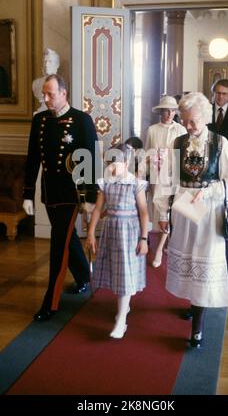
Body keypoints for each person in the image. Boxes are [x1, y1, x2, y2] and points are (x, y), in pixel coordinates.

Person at [155, 92, 228, 348]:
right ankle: (194, 303)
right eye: (186, 121)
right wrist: (162, 213)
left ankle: (198, 327)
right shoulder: (178, 143)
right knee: (189, 259)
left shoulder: (220, 143)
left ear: (205, 117)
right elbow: (166, 179)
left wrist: (209, 191)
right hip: (184, 209)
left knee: (204, 260)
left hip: (209, 212)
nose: (188, 126)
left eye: (193, 121)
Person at [23, 74, 98, 322]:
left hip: (71, 193)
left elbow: (91, 160)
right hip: (49, 192)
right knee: (67, 237)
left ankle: (50, 303)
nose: (45, 99)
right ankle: (84, 278)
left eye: (50, 94)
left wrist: (88, 197)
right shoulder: (40, 120)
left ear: (63, 93)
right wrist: (27, 194)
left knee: (58, 245)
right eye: (44, 94)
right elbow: (32, 158)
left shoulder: (81, 120)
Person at [86, 143, 149, 339]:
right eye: (110, 163)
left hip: (129, 232)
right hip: (111, 230)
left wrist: (144, 238)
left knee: (125, 273)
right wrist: (90, 233)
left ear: (127, 162)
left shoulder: (135, 183)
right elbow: (98, 209)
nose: (112, 168)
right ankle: (124, 308)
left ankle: (121, 320)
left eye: (117, 164)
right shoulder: (106, 183)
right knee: (118, 272)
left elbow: (144, 212)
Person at [144, 95, 186, 268]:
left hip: (174, 175)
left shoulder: (181, 130)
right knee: (159, 209)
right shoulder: (152, 130)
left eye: (172, 110)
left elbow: (185, 153)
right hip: (156, 174)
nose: (169, 113)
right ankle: (164, 240)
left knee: (168, 210)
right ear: (161, 111)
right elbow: (147, 152)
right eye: (166, 110)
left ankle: (160, 248)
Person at [32, 48, 60, 113]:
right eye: (45, 62)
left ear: (57, 65)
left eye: (50, 61)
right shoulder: (36, 83)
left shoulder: (60, 84)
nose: (46, 65)